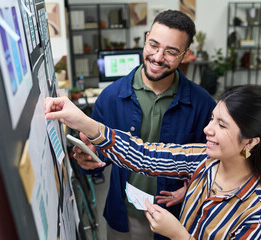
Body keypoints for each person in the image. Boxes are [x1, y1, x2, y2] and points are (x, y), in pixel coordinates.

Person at [45, 85, 261, 239]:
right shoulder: (204, 159)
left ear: (251, 142)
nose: (207, 129)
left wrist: (178, 235)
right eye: (212, 119)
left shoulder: (260, 216)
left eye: (221, 125)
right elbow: (145, 154)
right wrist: (82, 121)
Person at [72, 9, 216, 240]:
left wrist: (191, 188)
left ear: (185, 55)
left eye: (171, 52)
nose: (158, 57)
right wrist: (89, 160)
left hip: (175, 219)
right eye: (153, 45)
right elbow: (100, 158)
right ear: (146, 38)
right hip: (124, 213)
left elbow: (218, 163)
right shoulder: (111, 97)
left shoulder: (203, 104)